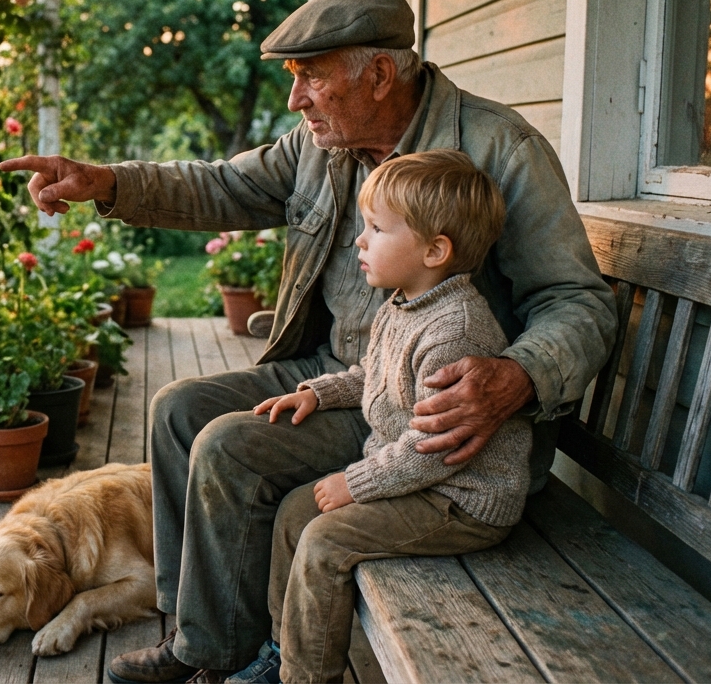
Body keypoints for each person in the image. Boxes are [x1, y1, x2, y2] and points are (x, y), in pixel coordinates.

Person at [0, 0, 617, 682]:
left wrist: (517, 377)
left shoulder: (500, 149)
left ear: (379, 75)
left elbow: (579, 302)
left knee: (230, 446)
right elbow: (222, 187)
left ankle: (238, 653)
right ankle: (197, 635)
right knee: (178, 410)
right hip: (338, 373)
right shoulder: (323, 147)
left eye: (311, 77)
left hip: (422, 413)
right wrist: (108, 182)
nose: (296, 101)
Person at [226, 149, 530, 684]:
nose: (360, 241)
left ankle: (307, 676)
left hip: (461, 498)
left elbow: (431, 446)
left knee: (325, 541)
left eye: (376, 229)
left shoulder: (454, 332)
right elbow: (376, 372)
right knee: (296, 511)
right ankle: (281, 649)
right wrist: (319, 394)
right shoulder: (405, 302)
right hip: (423, 482)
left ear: (435, 250)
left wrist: (356, 483)